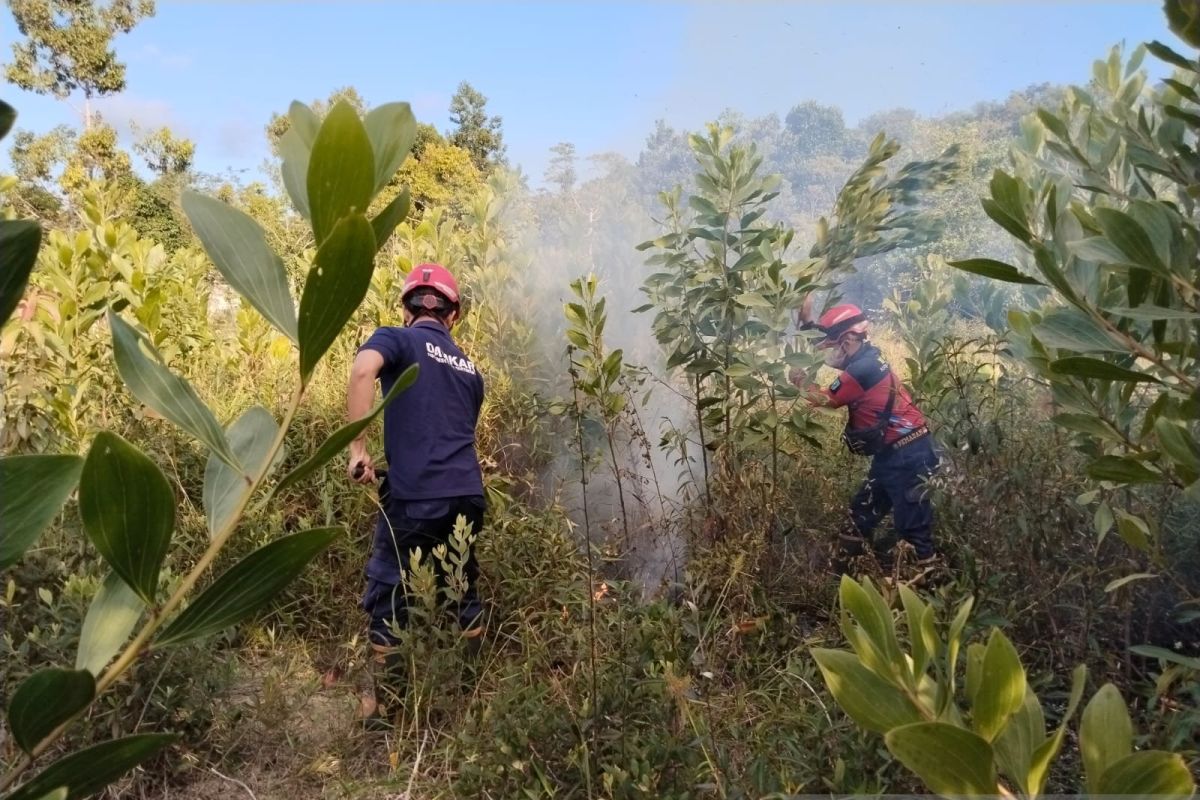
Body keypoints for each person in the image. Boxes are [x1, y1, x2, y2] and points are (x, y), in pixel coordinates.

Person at [345, 263, 486, 723]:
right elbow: (445, 435)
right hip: (467, 495)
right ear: (454, 314)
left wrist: (358, 449)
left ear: (406, 308)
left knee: (389, 592)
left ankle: (389, 710)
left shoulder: (398, 339)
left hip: (416, 500)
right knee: (461, 589)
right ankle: (470, 699)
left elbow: (364, 369)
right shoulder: (470, 368)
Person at [791, 296, 940, 573]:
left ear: (847, 339)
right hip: (893, 454)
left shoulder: (862, 369)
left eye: (833, 344)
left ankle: (933, 592)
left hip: (909, 456)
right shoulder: (867, 355)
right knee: (860, 515)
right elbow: (823, 342)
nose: (828, 351)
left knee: (914, 529)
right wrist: (807, 320)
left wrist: (800, 381)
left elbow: (827, 400)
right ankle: (840, 575)